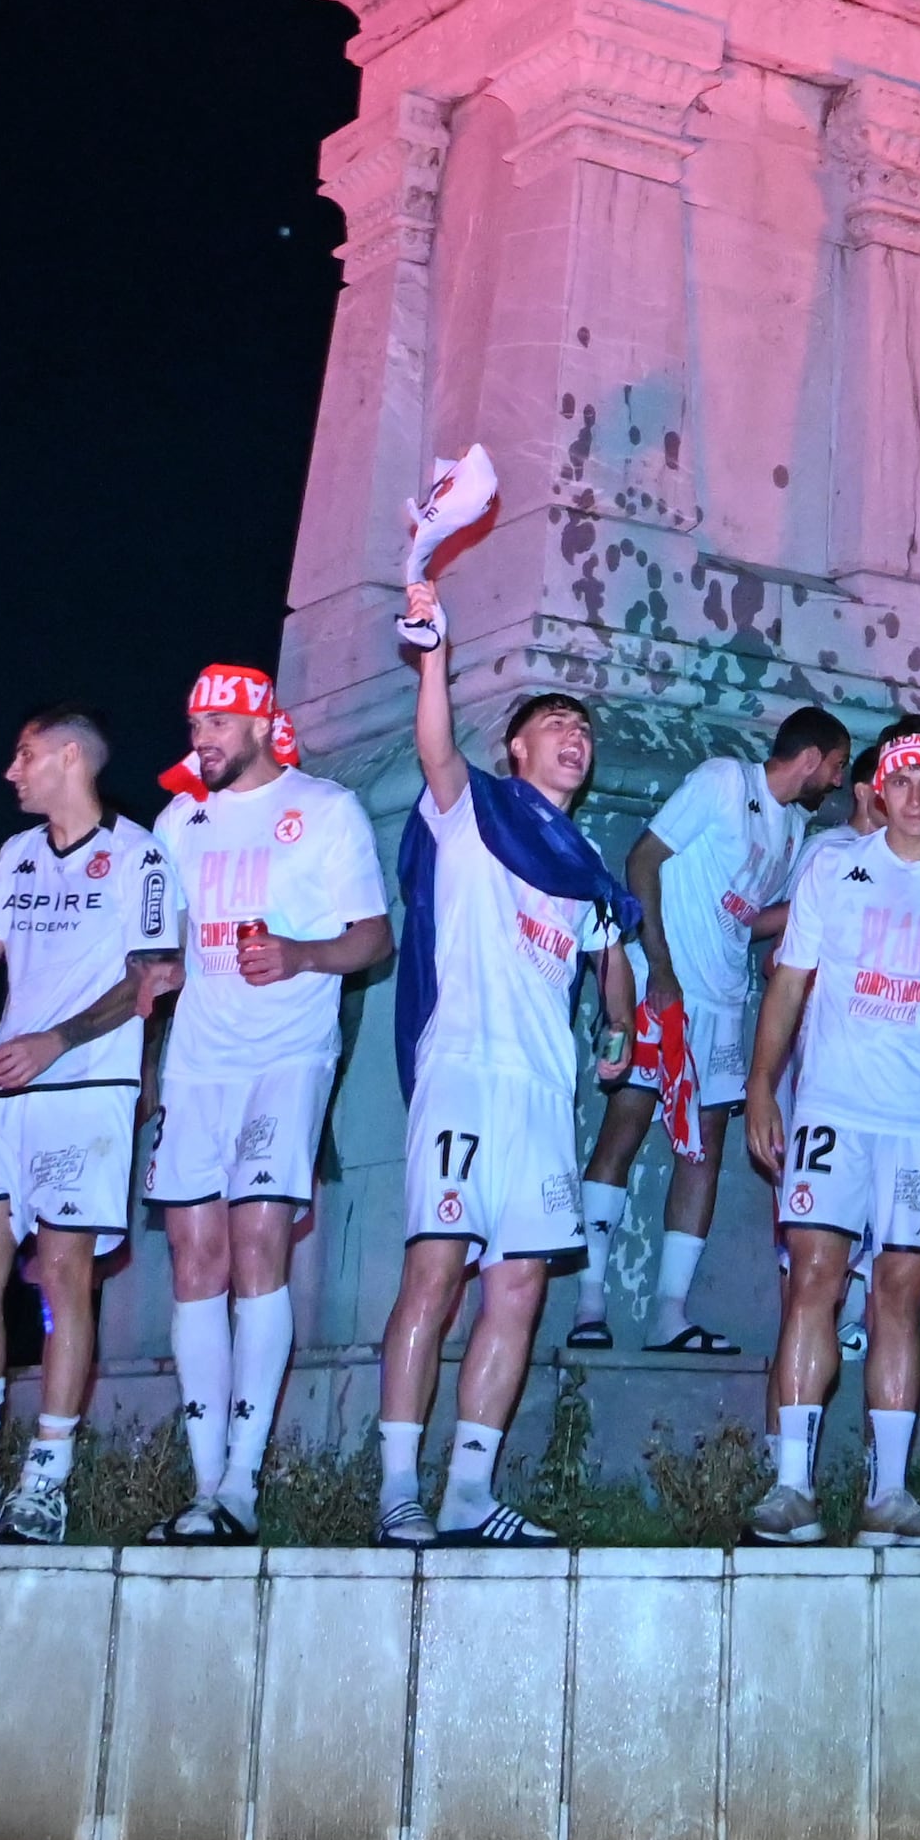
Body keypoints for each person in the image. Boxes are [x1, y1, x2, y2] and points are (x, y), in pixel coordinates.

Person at [373, 586, 642, 1545]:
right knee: (435, 1272)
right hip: (464, 1071)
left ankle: (468, 1494)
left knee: (519, 1285)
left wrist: (617, 1027)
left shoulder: (583, 869)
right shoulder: (472, 812)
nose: (574, 735)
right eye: (553, 723)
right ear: (516, 750)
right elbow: (435, 749)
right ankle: (399, 1486)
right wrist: (435, 656)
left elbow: (611, 989)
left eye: (583, 727)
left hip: (540, 1087)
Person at [741, 720, 920, 1546]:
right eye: (900, 781)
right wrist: (764, 1084)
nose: (914, 797)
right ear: (876, 788)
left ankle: (889, 1495)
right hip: (834, 1106)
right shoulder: (834, 864)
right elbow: (789, 983)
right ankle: (790, 1486)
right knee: (814, 1281)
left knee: (899, 1293)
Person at [0, 711, 181, 1542]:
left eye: (22, 754)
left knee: (64, 1278)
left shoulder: (139, 854)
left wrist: (54, 1040)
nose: (9, 770)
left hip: (86, 1087)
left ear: (66, 757)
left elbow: (155, 976)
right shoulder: (13, 856)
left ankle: (46, 1479)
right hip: (1, 1092)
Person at [146, 663, 395, 1539]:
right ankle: (205, 1483)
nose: (201, 737)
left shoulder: (325, 809)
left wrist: (296, 954)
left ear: (261, 722)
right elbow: (157, 953)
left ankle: (243, 1484)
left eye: (217, 722)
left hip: (287, 1054)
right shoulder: (179, 820)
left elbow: (374, 937)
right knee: (192, 1258)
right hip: (197, 1064)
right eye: (194, 722)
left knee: (258, 1241)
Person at [571, 705, 850, 1356]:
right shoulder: (723, 781)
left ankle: (671, 1310)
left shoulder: (792, 827)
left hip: (723, 1001)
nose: (835, 781)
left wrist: (809, 912)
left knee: (705, 1149)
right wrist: (659, 965)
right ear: (809, 758)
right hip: (663, 981)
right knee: (627, 1122)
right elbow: (643, 859)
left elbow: (743, 917)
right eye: (835, 766)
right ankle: (589, 1299)